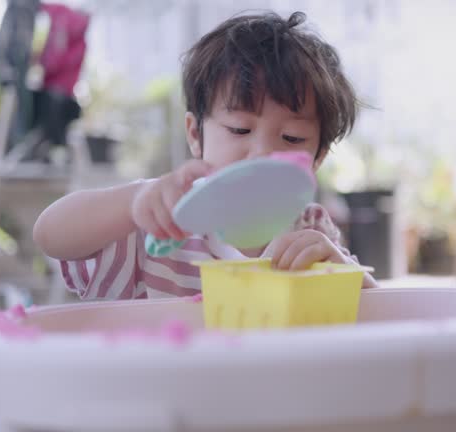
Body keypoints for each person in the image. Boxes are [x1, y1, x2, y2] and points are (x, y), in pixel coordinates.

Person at [33, 11, 378, 300]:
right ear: (196, 135)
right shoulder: (162, 219)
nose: (261, 153)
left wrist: (341, 271)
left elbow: (377, 316)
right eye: (240, 130)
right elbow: (49, 235)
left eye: (292, 137)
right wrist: (133, 203)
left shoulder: (311, 227)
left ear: (317, 158)